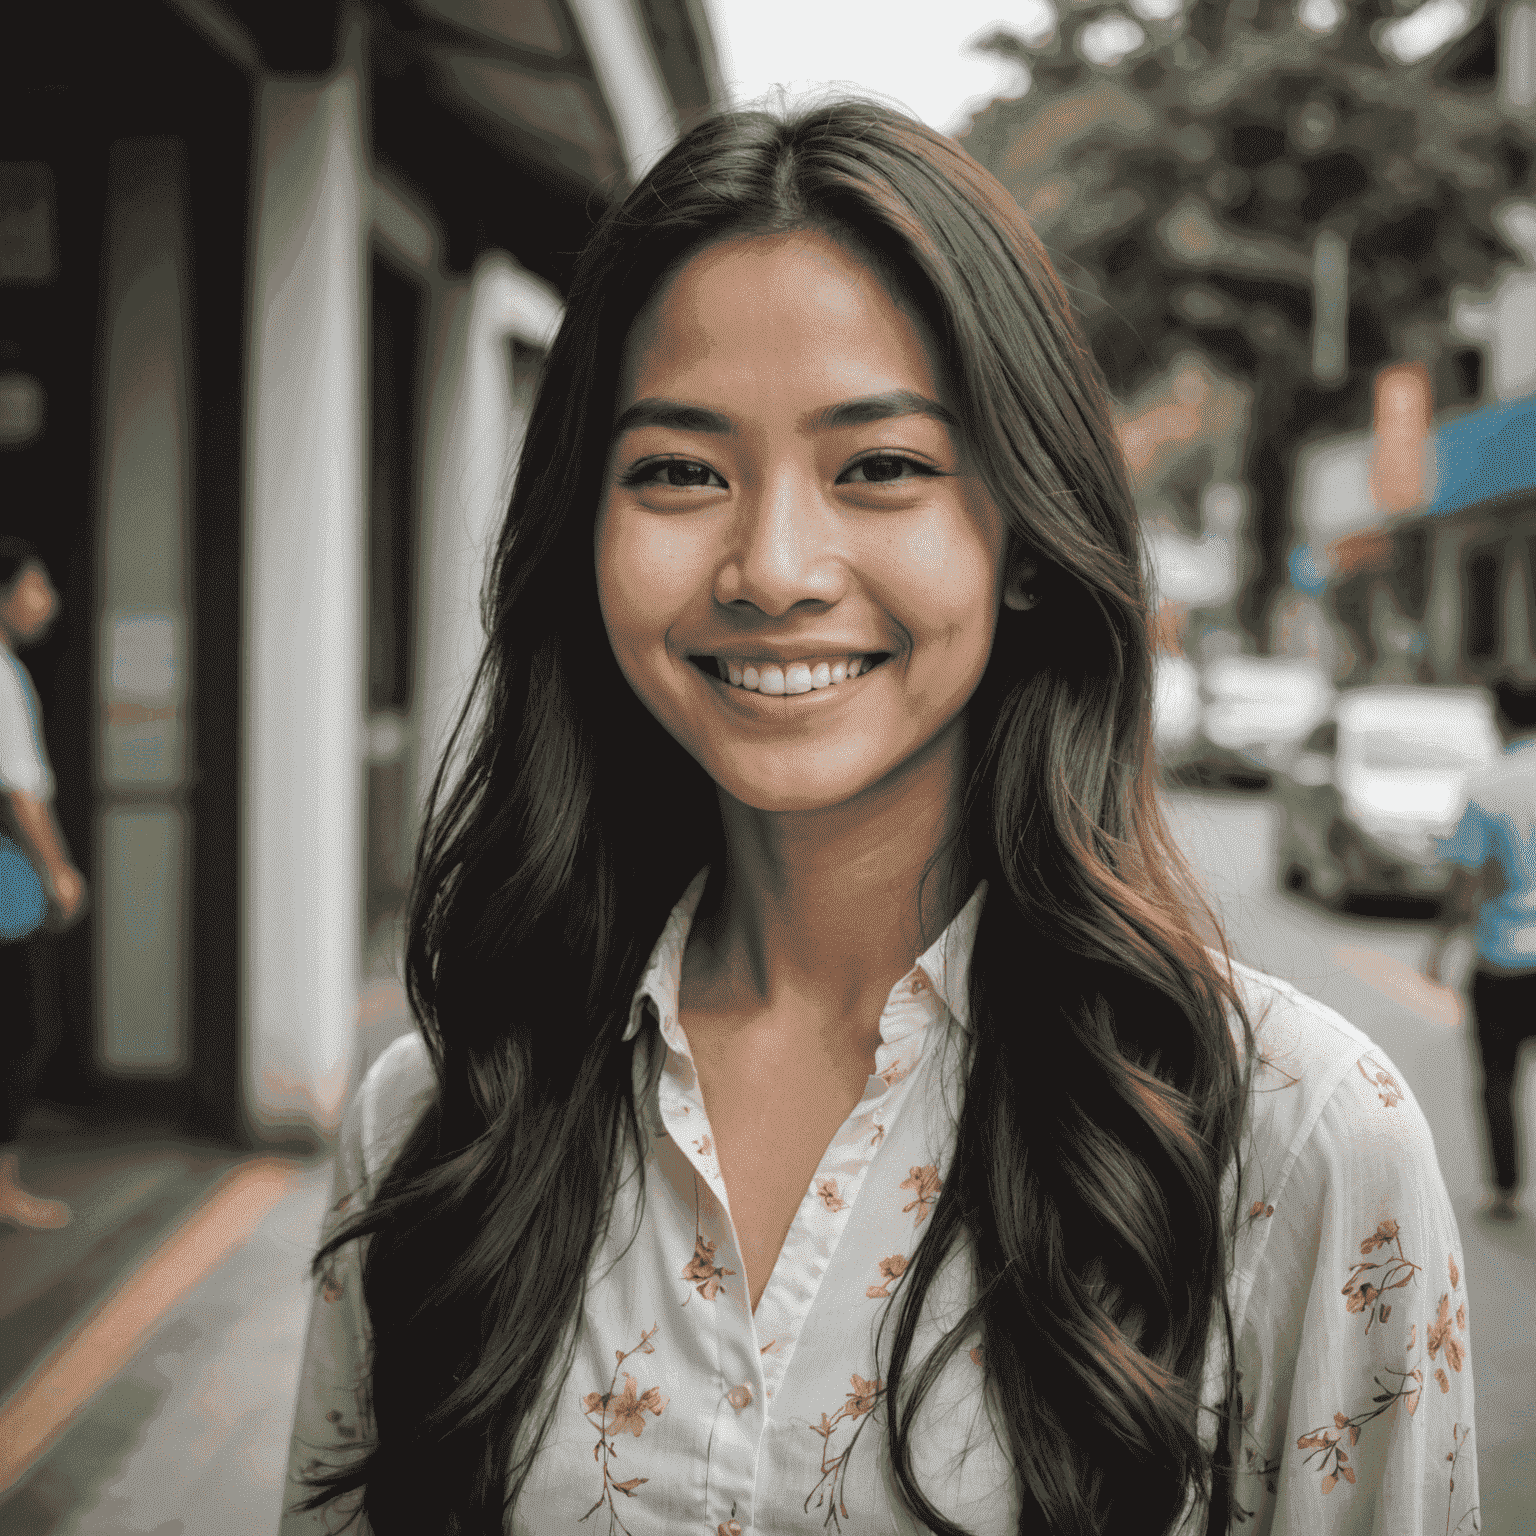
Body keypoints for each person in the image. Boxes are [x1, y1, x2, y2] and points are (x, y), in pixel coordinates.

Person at [281, 102, 1475, 1536]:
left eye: (882, 467)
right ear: (580, 536)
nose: (773, 566)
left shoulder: (1292, 1141)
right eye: (677, 471)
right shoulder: (442, 1119)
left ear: (1029, 540)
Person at [1425, 676, 1536, 1223]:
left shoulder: (1487, 786)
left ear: (1499, 718)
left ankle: (1507, 1190)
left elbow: (1465, 880)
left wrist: (1438, 948)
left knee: (1497, 1079)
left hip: (1502, 958)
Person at [0, 536, 84, 1229]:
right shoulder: (1, 676)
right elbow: (22, 791)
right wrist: (57, 870)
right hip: (6, 877)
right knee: (24, 1027)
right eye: (36, 586)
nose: (48, 603)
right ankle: (3, 1186)